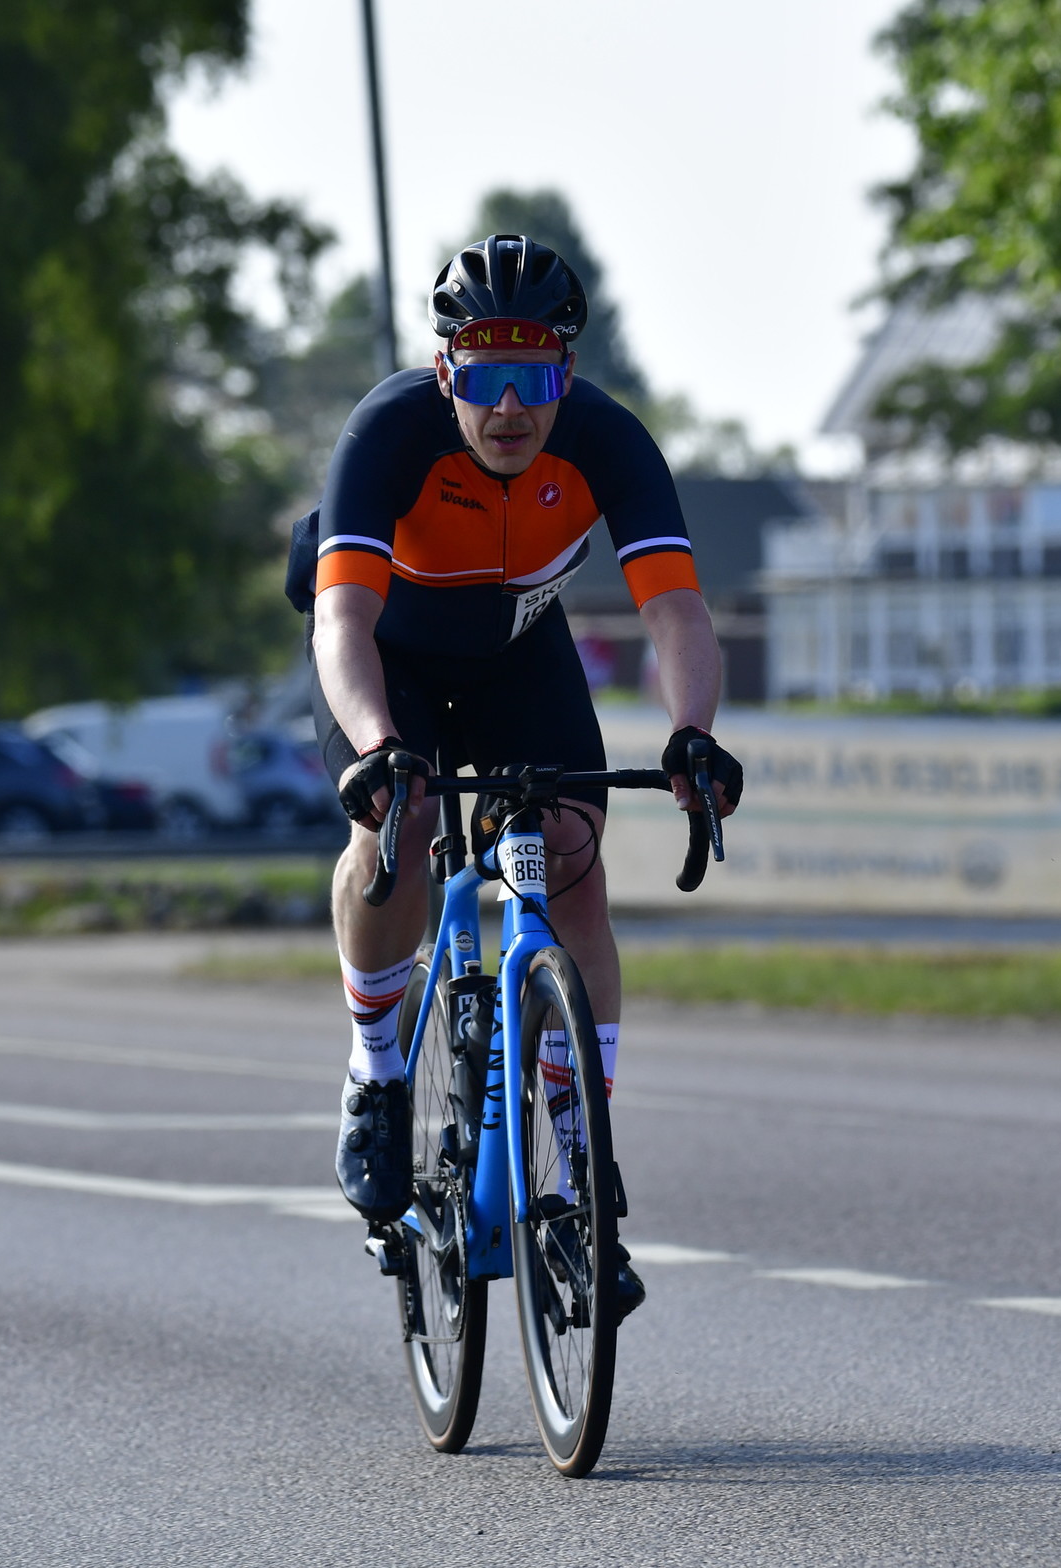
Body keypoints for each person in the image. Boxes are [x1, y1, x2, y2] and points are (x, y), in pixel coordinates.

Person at [286, 234, 743, 1316]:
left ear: (565, 377)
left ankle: (580, 1161)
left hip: (515, 651)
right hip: (386, 654)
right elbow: (341, 621)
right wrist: (374, 746)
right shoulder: (388, 434)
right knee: (394, 830)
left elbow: (677, 611)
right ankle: (375, 1073)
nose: (506, 408)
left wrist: (691, 731)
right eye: (484, 375)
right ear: (444, 370)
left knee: (574, 860)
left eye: (530, 378)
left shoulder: (607, 441)